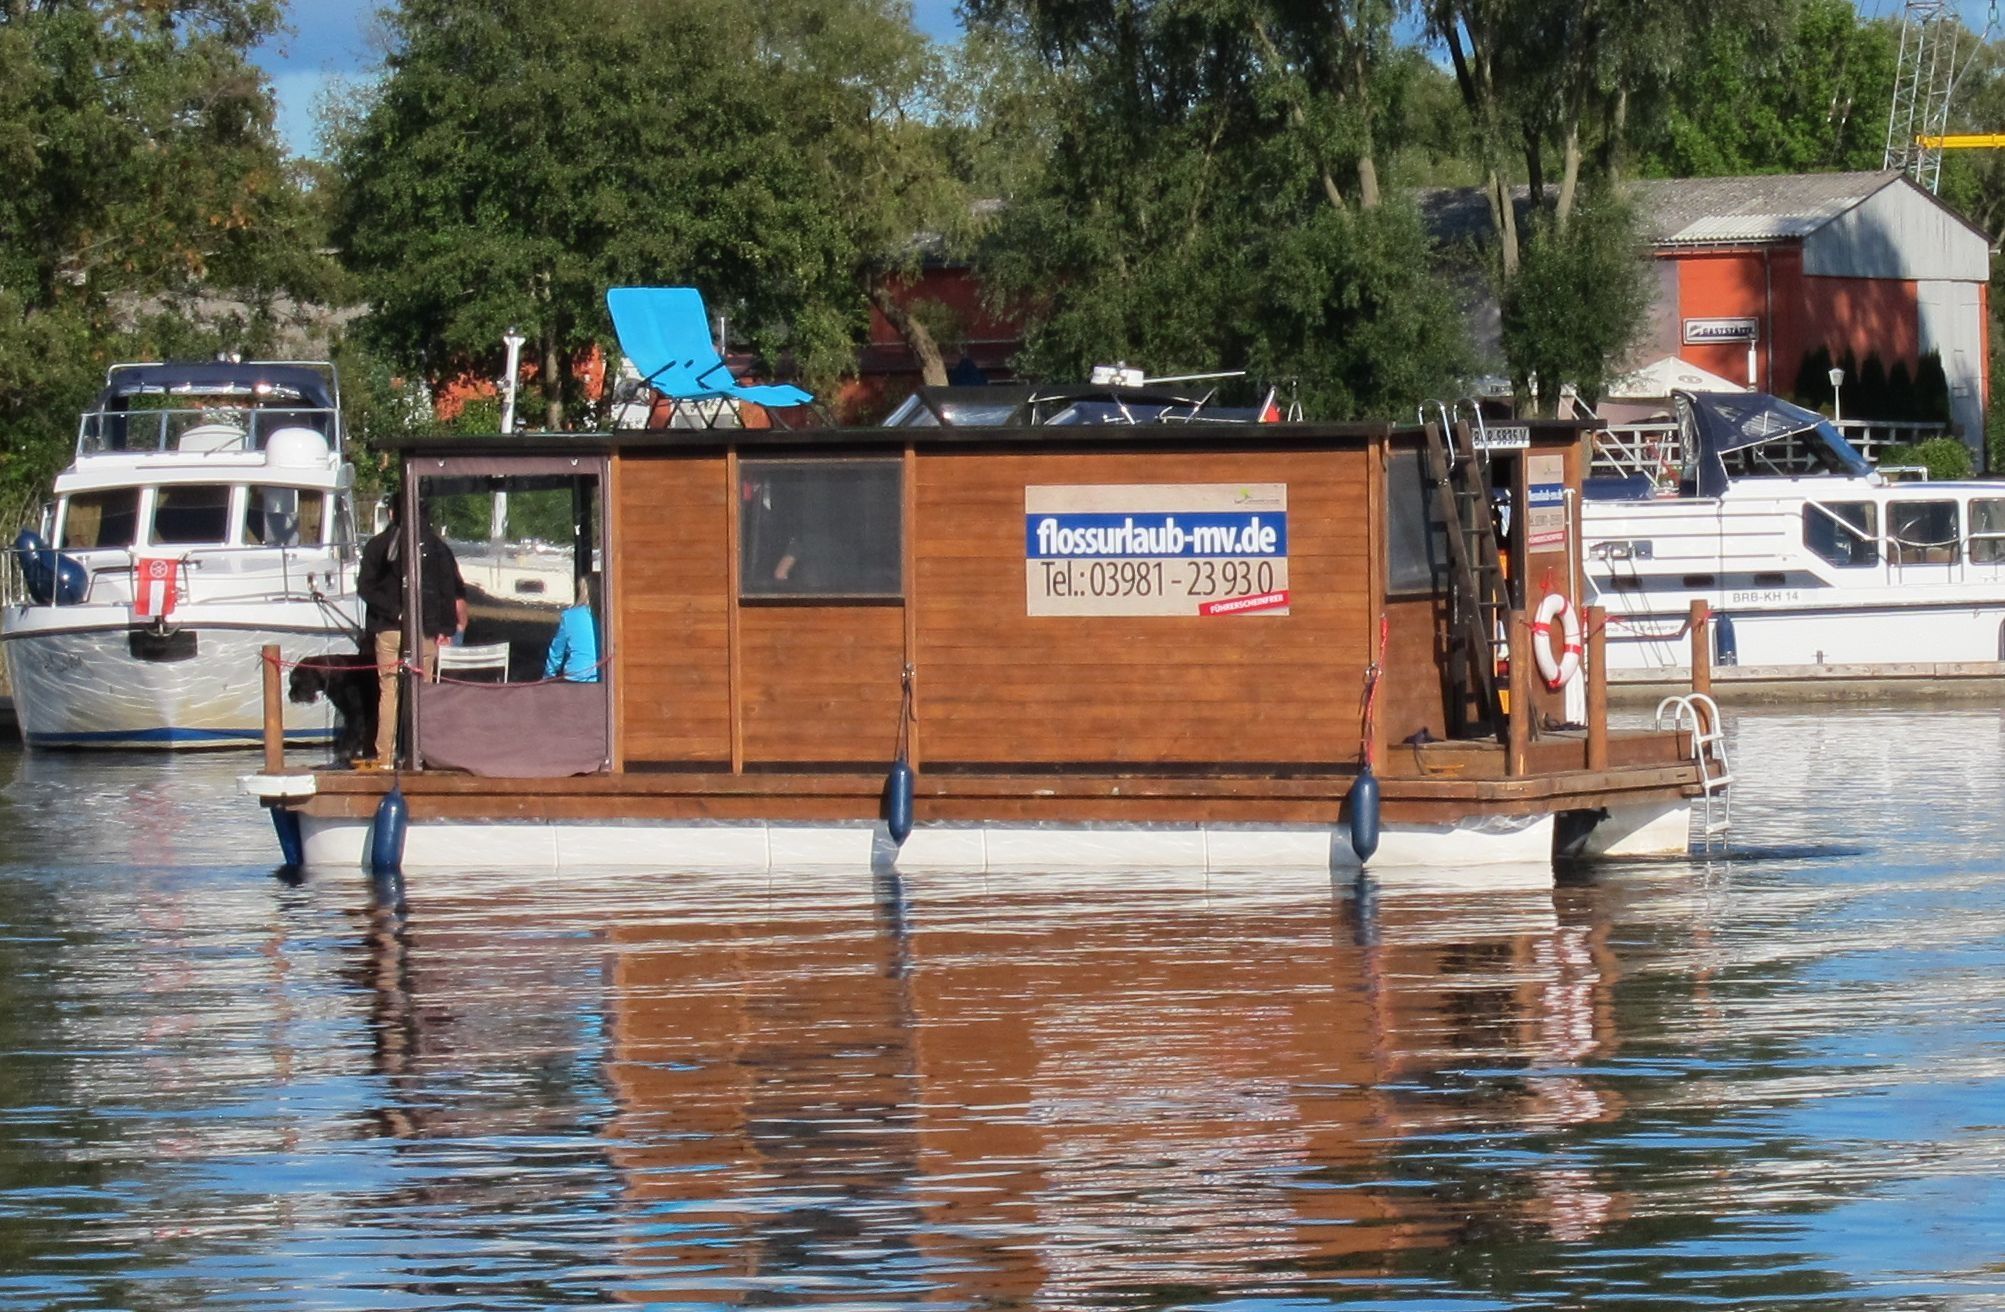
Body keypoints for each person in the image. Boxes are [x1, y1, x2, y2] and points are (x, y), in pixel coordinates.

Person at [355, 497, 468, 768]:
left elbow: (366, 587)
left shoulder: (379, 545)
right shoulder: (437, 548)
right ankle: (419, 753)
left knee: (389, 692)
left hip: (388, 628)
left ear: (393, 512)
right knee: (421, 692)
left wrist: (394, 612)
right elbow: (449, 590)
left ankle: (385, 756)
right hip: (425, 629)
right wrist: (445, 628)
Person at [543, 576, 600, 682]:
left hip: (576, 677)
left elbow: (557, 652)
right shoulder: (609, 617)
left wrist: (548, 676)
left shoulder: (570, 616)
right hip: (604, 677)